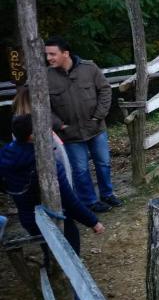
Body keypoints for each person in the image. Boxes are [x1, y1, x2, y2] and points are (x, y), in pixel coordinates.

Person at [1, 114, 105, 300]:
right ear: (33, 135)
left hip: (29, 219)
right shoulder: (45, 161)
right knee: (69, 260)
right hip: (56, 221)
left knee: (51, 255)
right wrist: (93, 221)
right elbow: (69, 201)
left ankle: (65, 299)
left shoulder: (5, 155)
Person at [44, 37, 121, 213]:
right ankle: (89, 202)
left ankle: (107, 194)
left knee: (104, 163)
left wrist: (98, 117)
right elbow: (41, 106)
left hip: (96, 128)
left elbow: (105, 90)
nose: (49, 58)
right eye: (47, 54)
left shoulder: (89, 68)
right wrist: (59, 125)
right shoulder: (45, 77)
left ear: (65, 53)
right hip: (69, 134)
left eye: (52, 54)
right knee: (80, 169)